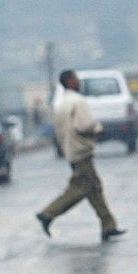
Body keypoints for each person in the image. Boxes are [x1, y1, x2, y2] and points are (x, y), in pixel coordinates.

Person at [35, 70, 125, 242]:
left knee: (94, 188)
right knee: (81, 188)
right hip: (81, 151)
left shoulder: (62, 103)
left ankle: (108, 225)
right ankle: (48, 213)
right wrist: (98, 128)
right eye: (76, 79)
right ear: (70, 81)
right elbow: (84, 125)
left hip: (71, 151)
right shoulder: (78, 101)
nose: (79, 82)